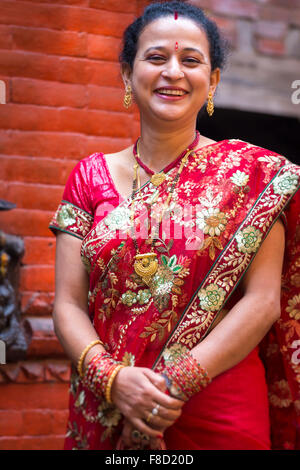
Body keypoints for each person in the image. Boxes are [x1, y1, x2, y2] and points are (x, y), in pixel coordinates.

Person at [49, 1, 300, 450]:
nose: (173, 72)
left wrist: (171, 386)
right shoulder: (89, 177)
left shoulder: (251, 176)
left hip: (217, 399)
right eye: (156, 57)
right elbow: (67, 305)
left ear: (213, 81)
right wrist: (116, 382)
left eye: (191, 61)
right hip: (110, 405)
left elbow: (263, 303)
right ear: (128, 75)